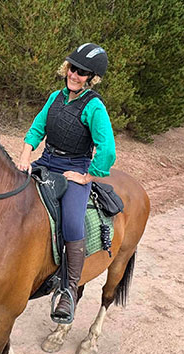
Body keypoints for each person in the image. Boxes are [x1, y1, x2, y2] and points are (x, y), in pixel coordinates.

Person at [17, 43, 115, 323]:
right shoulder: (55, 98)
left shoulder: (94, 107)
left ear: (91, 78)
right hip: (46, 162)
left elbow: (107, 149)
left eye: (82, 72)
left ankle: (69, 291)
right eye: (73, 68)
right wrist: (26, 156)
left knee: (72, 223)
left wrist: (87, 176)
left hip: (75, 168)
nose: (74, 74)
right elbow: (37, 128)